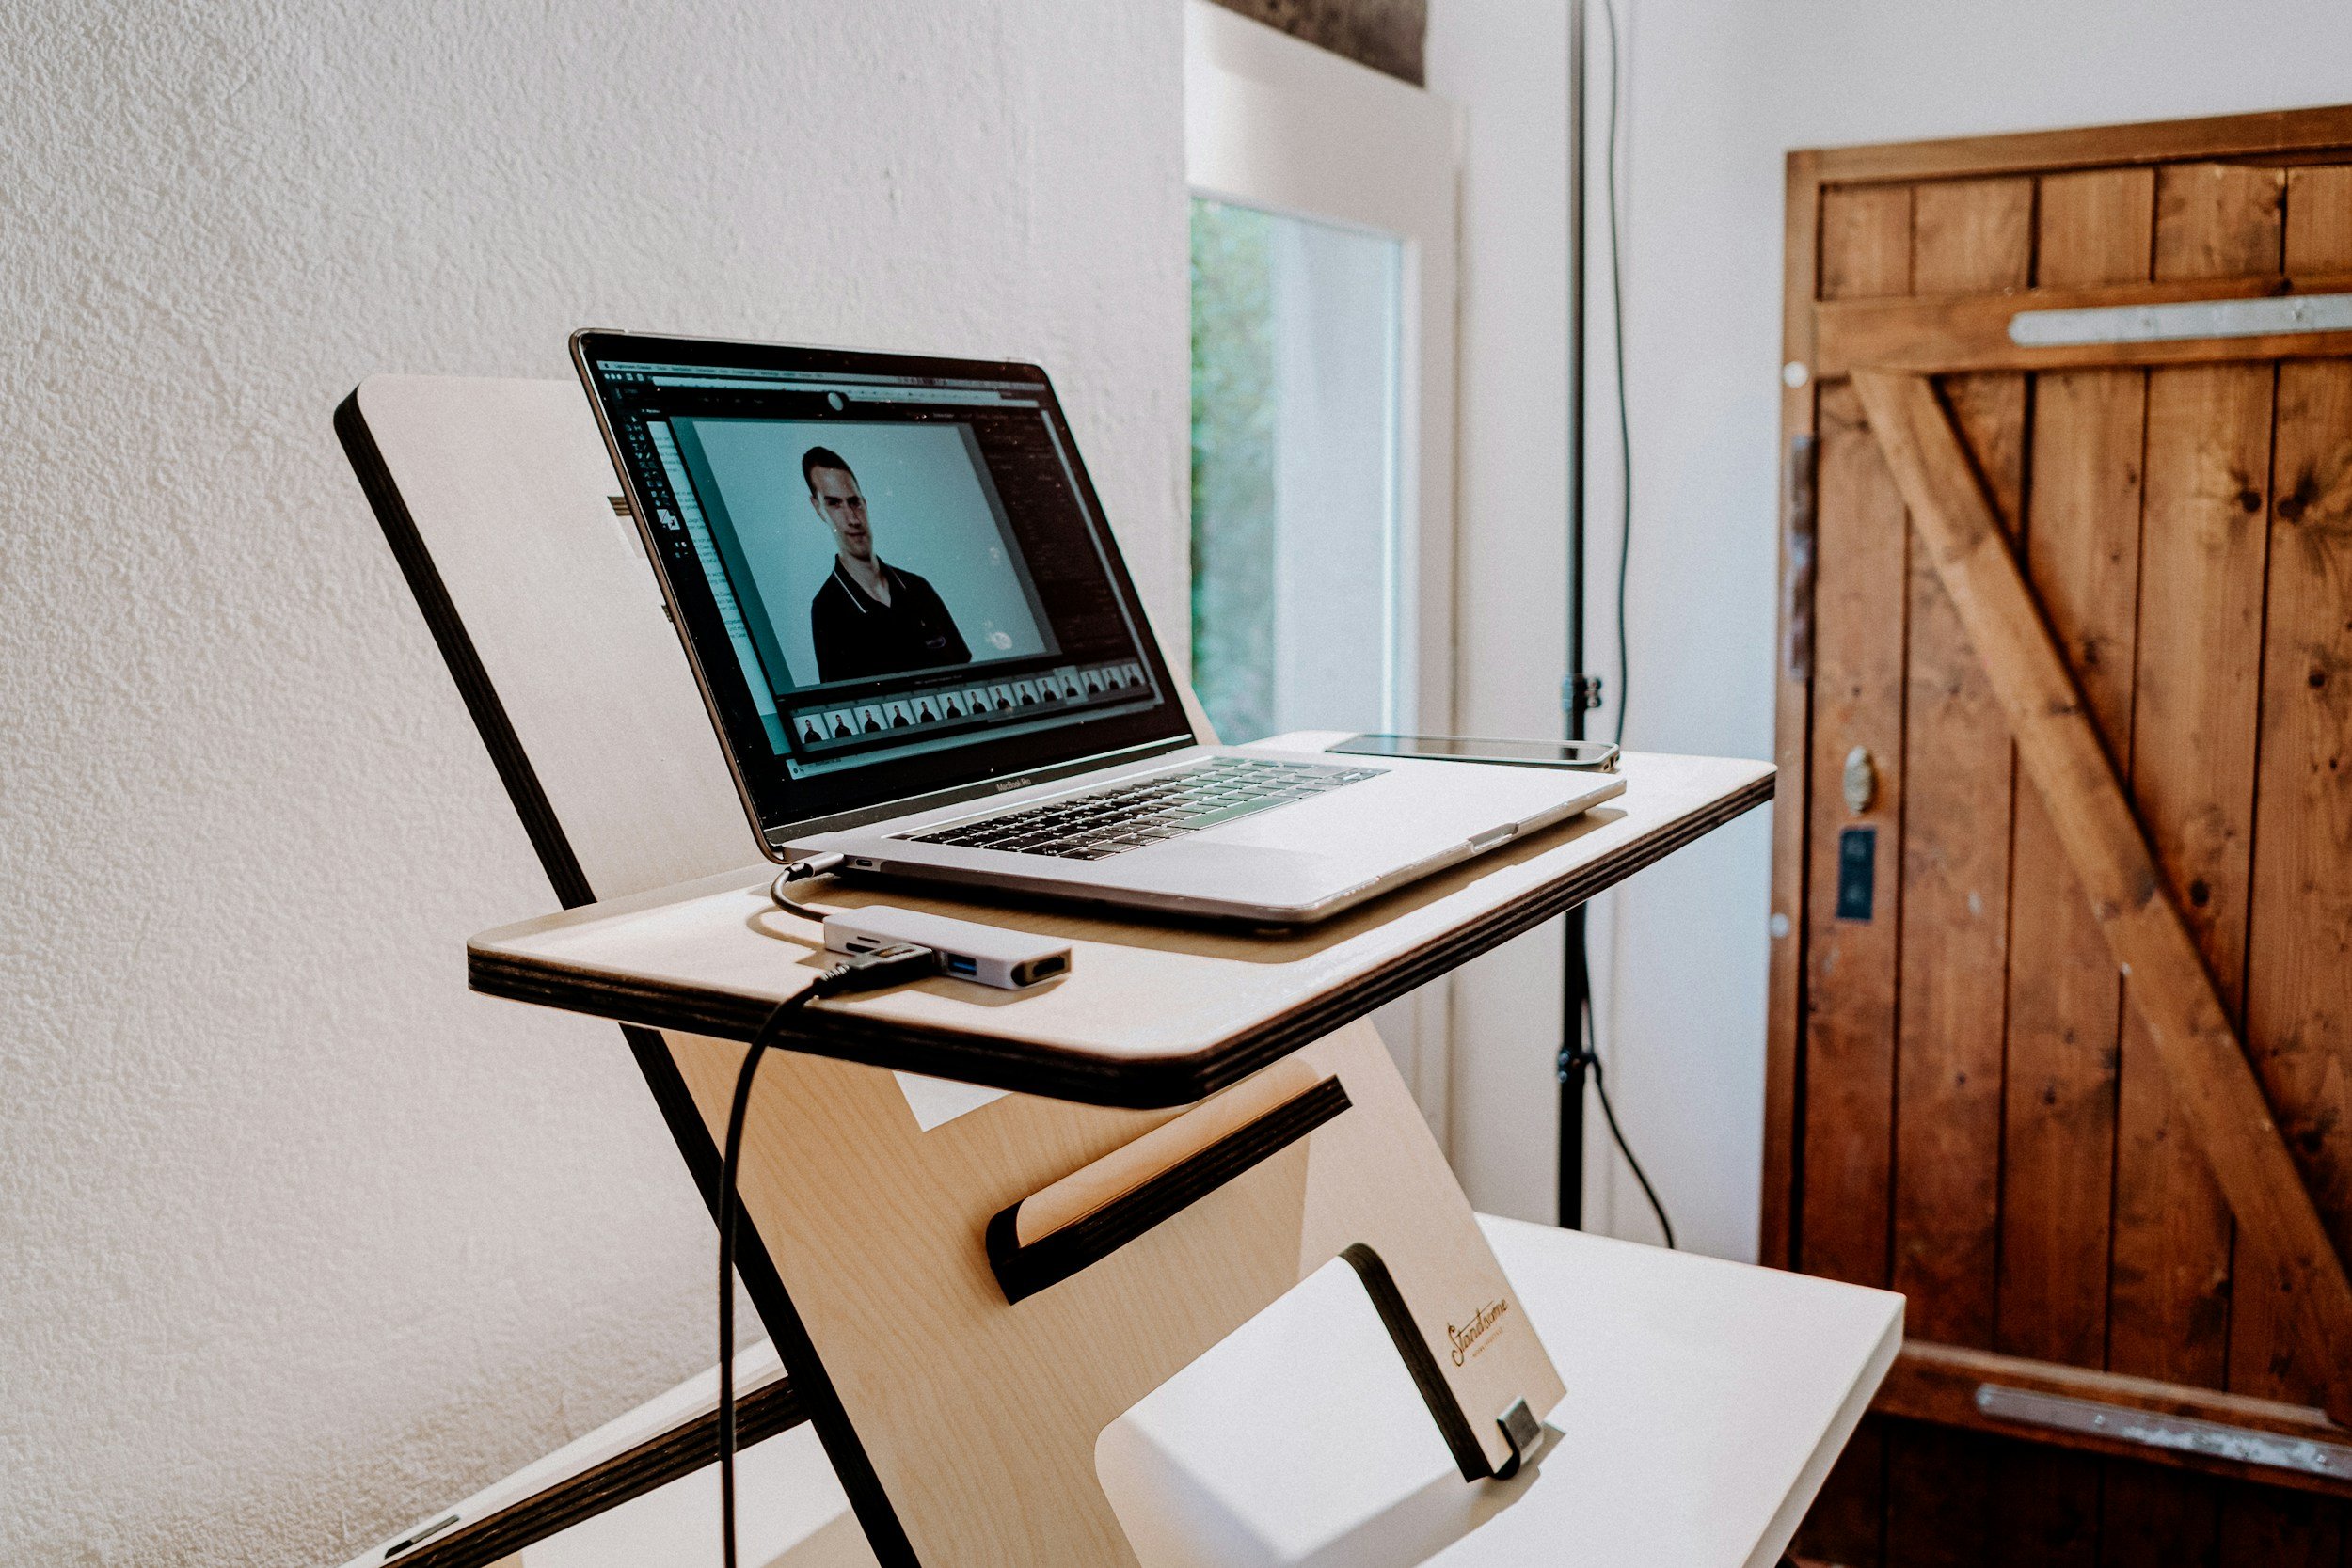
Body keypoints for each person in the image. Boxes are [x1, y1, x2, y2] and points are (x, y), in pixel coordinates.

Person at [801, 445, 971, 682]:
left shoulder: (918, 588)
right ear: (818, 508)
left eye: (854, 502)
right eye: (834, 503)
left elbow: (967, 677)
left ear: (865, 502)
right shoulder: (828, 609)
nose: (852, 519)